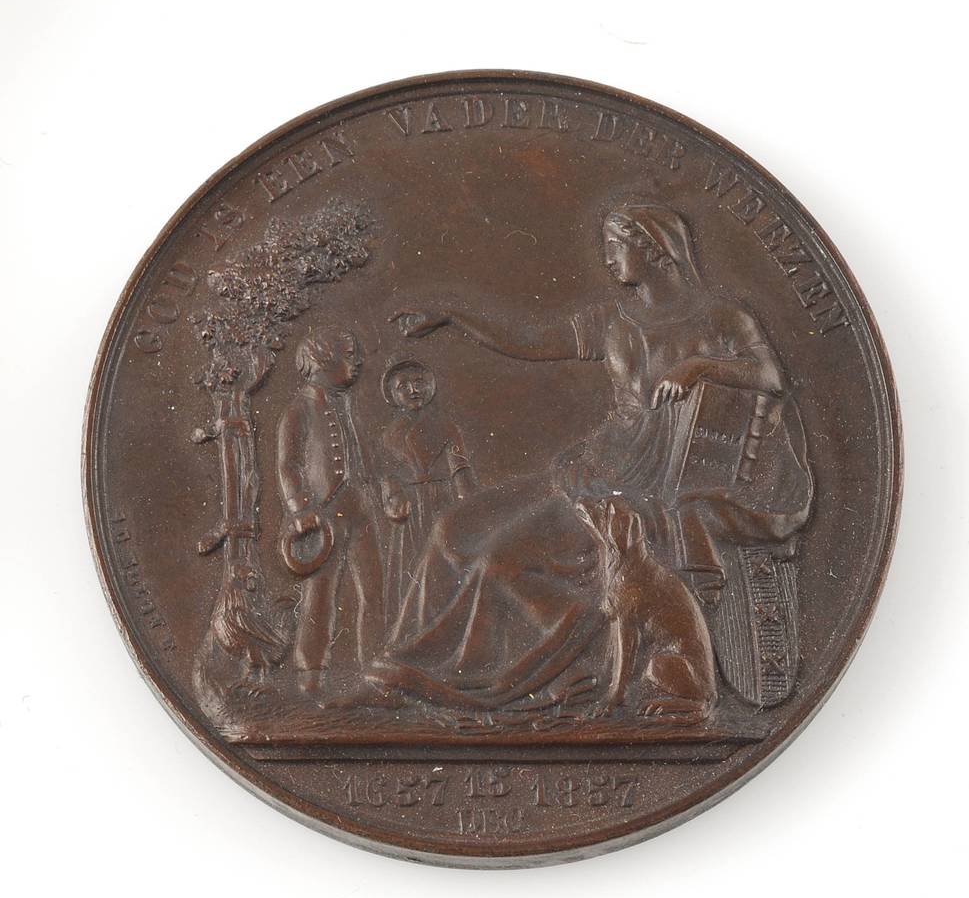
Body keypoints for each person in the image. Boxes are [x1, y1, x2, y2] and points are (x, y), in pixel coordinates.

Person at [372, 201, 812, 721]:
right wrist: (454, 316)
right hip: (600, 466)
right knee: (452, 528)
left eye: (615, 246)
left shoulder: (723, 320)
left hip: (647, 489)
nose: (607, 259)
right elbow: (533, 341)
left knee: (497, 561)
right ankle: (398, 666)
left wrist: (699, 366)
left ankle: (500, 678)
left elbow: (771, 376)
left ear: (654, 249)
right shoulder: (613, 319)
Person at [276, 327, 384, 703]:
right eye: (349, 355)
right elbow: (289, 464)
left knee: (373, 591)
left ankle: (374, 672)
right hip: (324, 516)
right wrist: (301, 509)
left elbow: (361, 452)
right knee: (320, 595)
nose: (357, 362)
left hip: (360, 508)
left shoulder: (346, 406)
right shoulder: (298, 409)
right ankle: (311, 676)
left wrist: (382, 489)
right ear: (323, 360)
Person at [380, 359, 476, 632]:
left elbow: (461, 470)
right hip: (410, 510)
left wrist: (470, 507)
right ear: (393, 395)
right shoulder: (388, 436)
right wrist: (392, 496)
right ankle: (409, 628)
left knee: (448, 564)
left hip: (443, 502)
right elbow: (386, 474)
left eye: (419, 383)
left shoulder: (446, 427)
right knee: (412, 568)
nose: (413, 390)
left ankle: (451, 625)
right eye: (403, 387)